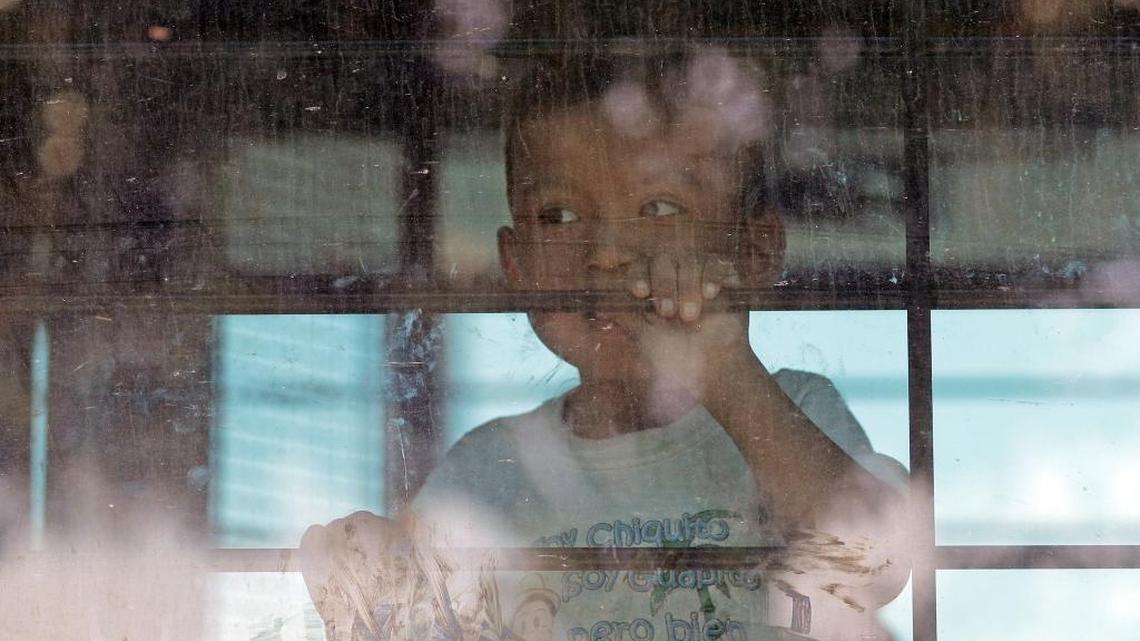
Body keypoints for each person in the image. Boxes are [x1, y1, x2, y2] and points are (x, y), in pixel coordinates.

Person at [300, 49, 910, 641]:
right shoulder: (489, 468)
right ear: (516, 264)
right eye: (559, 216)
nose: (609, 253)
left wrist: (724, 368)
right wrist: (370, 577)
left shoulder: (791, 409)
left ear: (754, 251)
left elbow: (877, 567)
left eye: (660, 207)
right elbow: (422, 615)